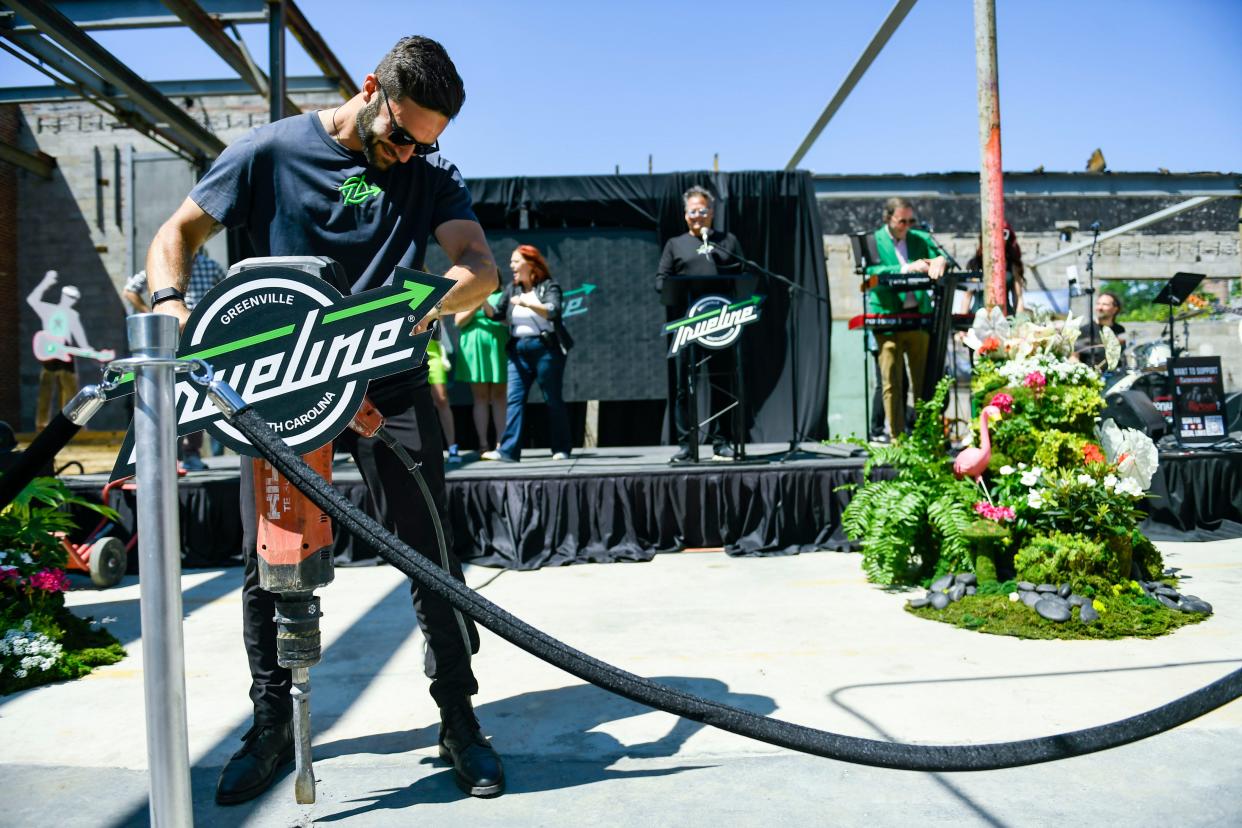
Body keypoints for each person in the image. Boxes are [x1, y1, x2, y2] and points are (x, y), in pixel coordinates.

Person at [144, 36, 505, 804]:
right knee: (266, 562)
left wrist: (425, 309)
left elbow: (479, 264)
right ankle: (271, 724)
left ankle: (459, 719)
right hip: (286, 389)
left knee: (429, 549)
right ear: (370, 88)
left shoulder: (428, 170)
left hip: (391, 384)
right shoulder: (267, 153)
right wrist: (173, 308)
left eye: (426, 143)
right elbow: (173, 237)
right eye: (401, 134)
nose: (409, 154)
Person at [654, 186, 745, 462]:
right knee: (685, 385)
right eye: (693, 211)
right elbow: (661, 280)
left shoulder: (726, 241)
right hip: (688, 324)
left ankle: (722, 441)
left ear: (712, 213)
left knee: (722, 381)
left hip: (721, 323)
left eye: (702, 211)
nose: (698, 216)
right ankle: (686, 443)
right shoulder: (675, 244)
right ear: (685, 215)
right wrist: (674, 288)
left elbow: (743, 275)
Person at [123, 248, 227, 469]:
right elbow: (130, 290)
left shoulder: (210, 266)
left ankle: (191, 454)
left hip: (199, 335)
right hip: (169, 336)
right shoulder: (167, 266)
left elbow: (224, 292)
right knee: (167, 391)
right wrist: (151, 312)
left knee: (196, 391)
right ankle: (167, 454)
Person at [863, 197, 946, 439]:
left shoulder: (919, 239)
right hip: (887, 319)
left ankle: (925, 437)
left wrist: (939, 261)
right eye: (902, 221)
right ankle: (898, 439)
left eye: (912, 220)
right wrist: (906, 268)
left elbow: (939, 258)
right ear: (888, 218)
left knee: (924, 382)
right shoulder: (874, 240)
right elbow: (870, 273)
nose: (907, 225)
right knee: (891, 383)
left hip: (918, 317)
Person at [481, 244, 573, 462]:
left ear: (530, 263)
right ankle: (508, 451)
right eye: (511, 262)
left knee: (552, 399)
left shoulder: (548, 287)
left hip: (545, 349)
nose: (511, 266)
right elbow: (496, 315)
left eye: (516, 261)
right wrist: (482, 299)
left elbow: (553, 311)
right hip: (518, 350)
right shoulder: (512, 289)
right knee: (514, 399)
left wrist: (526, 302)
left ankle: (561, 447)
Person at [26, 270, 88, 430]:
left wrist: (89, 350)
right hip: (49, 356)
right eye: (69, 297)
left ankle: (76, 426)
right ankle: (41, 426)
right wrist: (46, 282)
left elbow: (79, 337)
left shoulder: (73, 315)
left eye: (74, 299)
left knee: (71, 393)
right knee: (46, 392)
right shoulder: (48, 309)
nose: (71, 301)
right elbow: (32, 299)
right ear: (63, 296)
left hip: (66, 356)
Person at [454, 290, 509, 454]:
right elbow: (459, 322)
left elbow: (508, 320)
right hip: (474, 351)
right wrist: (476, 304)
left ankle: (502, 443)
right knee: (481, 397)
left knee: (500, 396)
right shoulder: (468, 295)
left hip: (498, 347)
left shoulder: (503, 295)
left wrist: (487, 305)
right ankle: (483, 444)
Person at [966, 220, 1025, 314]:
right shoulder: (975, 264)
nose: (998, 238)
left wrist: (1020, 324)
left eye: (1003, 233)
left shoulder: (1012, 266)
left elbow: (1018, 299)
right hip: (977, 320)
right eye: (993, 233)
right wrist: (961, 326)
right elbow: (967, 296)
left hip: (1005, 320)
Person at [426, 331, 461, 463]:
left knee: (442, 400)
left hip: (433, 354)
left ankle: (452, 447)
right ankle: (424, 449)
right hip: (410, 354)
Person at [1075, 291, 1127, 367]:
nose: (1099, 307)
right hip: (1092, 374)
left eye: (1104, 304)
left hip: (1115, 374)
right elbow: (1074, 356)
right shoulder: (1084, 330)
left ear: (1115, 309)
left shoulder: (1119, 329)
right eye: (1098, 304)